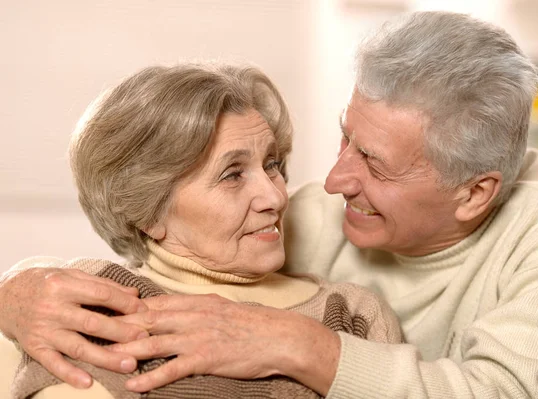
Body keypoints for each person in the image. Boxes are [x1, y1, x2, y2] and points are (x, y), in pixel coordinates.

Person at [2, 10, 538, 398]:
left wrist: (295, 342)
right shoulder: (309, 219)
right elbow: (152, 243)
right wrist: (15, 291)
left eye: (375, 164)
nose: (330, 182)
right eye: (347, 138)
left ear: (474, 193)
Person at [0, 62, 402, 398]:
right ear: (149, 213)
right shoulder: (80, 304)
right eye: (232, 174)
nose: (276, 198)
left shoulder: (353, 313)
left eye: (272, 164)